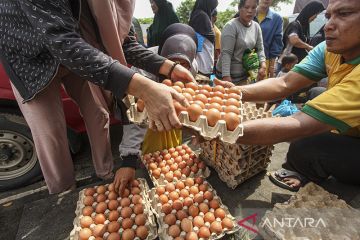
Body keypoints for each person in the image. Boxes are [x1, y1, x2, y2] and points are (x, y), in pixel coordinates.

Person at [0, 0, 195, 194]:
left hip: (79, 45)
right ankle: (65, 191)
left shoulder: (106, 6)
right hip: (31, 57)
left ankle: (105, 173)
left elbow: (122, 40)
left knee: (97, 113)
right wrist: (144, 88)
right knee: (50, 136)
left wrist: (169, 67)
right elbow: (62, 42)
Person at [214, 0, 360, 191]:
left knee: (306, 143)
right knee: (316, 93)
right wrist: (235, 93)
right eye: (328, 16)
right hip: (351, 124)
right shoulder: (329, 50)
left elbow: (297, 125)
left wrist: (221, 130)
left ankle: (307, 171)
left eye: (344, 14)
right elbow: (284, 83)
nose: (328, 25)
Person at [115, 23, 199, 194]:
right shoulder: (144, 71)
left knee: (172, 148)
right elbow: (135, 116)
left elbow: (188, 103)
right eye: (173, 63)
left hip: (170, 115)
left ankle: (169, 162)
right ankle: (149, 164)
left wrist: (197, 128)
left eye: (184, 63)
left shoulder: (190, 67)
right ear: (163, 57)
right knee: (152, 149)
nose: (179, 67)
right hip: (147, 123)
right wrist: (129, 159)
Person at [216, 0, 266, 85]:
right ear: (239, 8)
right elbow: (226, 54)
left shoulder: (256, 27)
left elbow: (260, 49)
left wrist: (263, 65)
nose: (250, 11)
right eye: (246, 7)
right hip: (227, 76)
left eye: (253, 7)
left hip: (244, 76)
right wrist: (226, 77)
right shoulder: (231, 26)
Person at [189, 0, 219, 77]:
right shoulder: (201, 16)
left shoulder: (201, 15)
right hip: (201, 68)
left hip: (203, 67)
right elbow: (197, 42)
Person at [255, 0, 283, 78]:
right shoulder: (248, 13)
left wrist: (271, 66)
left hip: (264, 61)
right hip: (244, 60)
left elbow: (277, 43)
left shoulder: (277, 19)